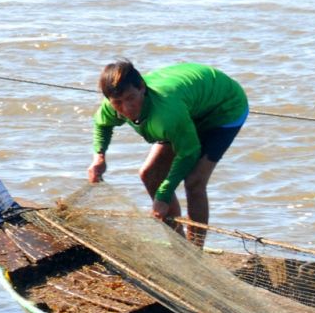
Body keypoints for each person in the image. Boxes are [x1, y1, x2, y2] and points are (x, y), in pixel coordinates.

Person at [87, 60, 249, 247]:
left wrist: (163, 195)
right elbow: (101, 123)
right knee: (149, 174)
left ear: (142, 88)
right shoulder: (114, 104)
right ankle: (179, 245)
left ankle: (195, 252)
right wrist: (99, 157)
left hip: (223, 107)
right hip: (187, 105)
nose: (127, 109)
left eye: (131, 98)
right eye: (118, 103)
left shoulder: (166, 114)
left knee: (195, 181)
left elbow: (189, 152)